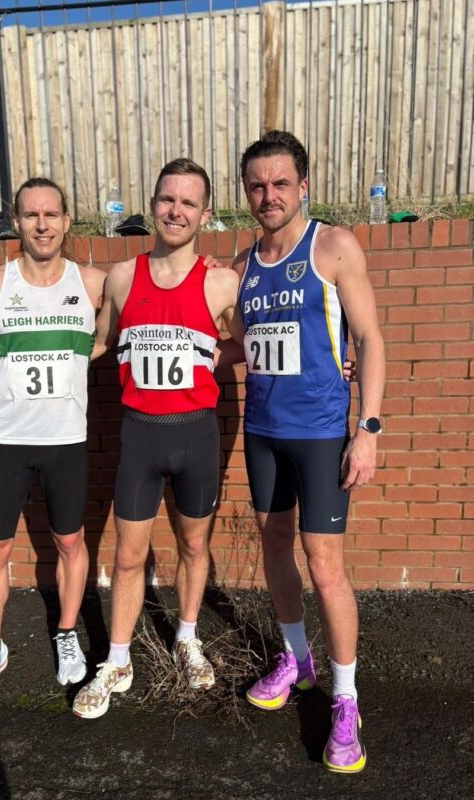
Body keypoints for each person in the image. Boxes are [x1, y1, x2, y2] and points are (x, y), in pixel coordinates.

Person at [227, 131, 385, 773]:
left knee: (325, 566)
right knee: (274, 545)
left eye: (280, 183)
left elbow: (369, 339)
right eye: (258, 186)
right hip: (262, 431)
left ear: (304, 186)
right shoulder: (241, 265)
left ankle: (345, 701)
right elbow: (240, 344)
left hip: (320, 433)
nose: (269, 195)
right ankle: (297, 658)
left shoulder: (334, 246)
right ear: (247, 193)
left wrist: (367, 429)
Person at [72, 159, 240, 719]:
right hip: (140, 436)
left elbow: (249, 341)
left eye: (188, 202)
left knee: (193, 546)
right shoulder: (122, 277)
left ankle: (187, 637)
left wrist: (209, 357)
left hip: (196, 436)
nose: (176, 211)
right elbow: (100, 342)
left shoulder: (221, 282)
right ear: (152, 205)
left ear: (205, 215)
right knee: (128, 555)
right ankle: (117, 659)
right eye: (167, 199)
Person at [0, 177, 106, 712]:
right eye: (31, 215)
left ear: (67, 221)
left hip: (66, 442)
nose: (42, 224)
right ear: (16, 222)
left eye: (52, 214)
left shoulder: (93, 284)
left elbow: (148, 299)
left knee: (70, 543)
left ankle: (66, 632)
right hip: (5, 442)